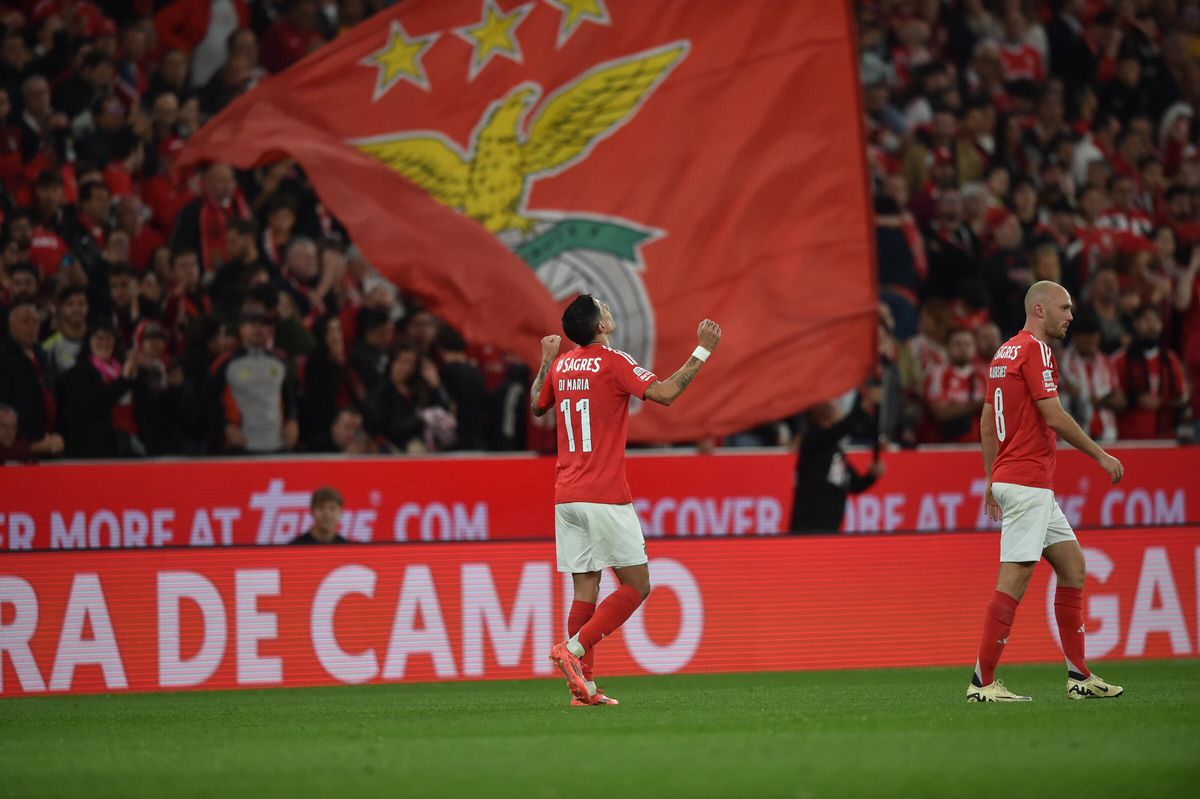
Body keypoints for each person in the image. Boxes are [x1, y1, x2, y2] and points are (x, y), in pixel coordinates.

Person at [535, 294, 721, 706]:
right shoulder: (613, 361)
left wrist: (547, 359)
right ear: (600, 325)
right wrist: (703, 348)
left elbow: (537, 405)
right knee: (637, 585)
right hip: (603, 495)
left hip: (566, 496)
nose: (609, 311)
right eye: (604, 307)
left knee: (586, 588)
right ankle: (573, 650)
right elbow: (667, 393)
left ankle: (585, 687)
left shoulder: (564, 364)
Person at [970, 280, 1125, 702]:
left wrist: (991, 477)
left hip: (1017, 478)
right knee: (1014, 581)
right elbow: (1053, 415)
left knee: (1073, 566)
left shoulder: (1004, 352)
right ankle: (982, 683)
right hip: (1027, 481)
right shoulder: (1037, 351)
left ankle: (1079, 677)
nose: (1071, 315)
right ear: (1039, 310)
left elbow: (987, 420)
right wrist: (1100, 455)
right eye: (1064, 307)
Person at [789, 391, 885, 533]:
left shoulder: (835, 450)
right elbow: (843, 428)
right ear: (824, 415)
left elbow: (854, 484)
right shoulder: (813, 441)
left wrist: (872, 476)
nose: (839, 408)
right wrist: (863, 407)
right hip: (808, 529)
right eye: (834, 405)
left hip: (831, 529)